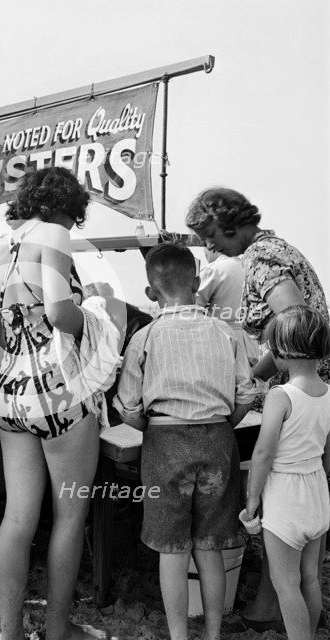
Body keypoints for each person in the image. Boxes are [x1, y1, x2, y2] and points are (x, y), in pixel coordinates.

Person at [186, 187, 330, 630]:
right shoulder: (276, 247)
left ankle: (274, 610)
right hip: (316, 396)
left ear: (232, 227)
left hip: (295, 394)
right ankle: (273, 608)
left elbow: (293, 319)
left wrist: (257, 376)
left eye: (211, 237)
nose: (210, 248)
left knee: (282, 512)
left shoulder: (261, 258)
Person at [114, 243, 257, 640]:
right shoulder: (226, 332)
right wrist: (224, 422)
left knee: (171, 550)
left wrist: (147, 426)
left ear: (149, 293)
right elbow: (246, 394)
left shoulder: (145, 337)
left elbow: (127, 407)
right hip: (218, 441)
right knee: (210, 546)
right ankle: (212, 634)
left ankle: (179, 636)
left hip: (164, 442)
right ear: (197, 281)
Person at [0, 167, 101, 640]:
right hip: (57, 390)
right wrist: (90, 319)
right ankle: (57, 630)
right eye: (74, 216)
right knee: (70, 514)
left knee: (18, 515)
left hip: (10, 390)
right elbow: (57, 312)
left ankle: (10, 631)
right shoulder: (53, 234)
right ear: (61, 206)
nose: (72, 227)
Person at [245, 306, 330, 640]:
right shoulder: (327, 394)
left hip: (285, 498)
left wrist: (252, 502)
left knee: (286, 585)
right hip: (316, 493)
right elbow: (326, 453)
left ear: (280, 351)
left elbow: (263, 454)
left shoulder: (281, 396)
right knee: (310, 579)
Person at [197, 248, 260, 366]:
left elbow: (192, 309)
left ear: (211, 247)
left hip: (221, 343)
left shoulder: (213, 270)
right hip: (250, 343)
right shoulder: (250, 268)